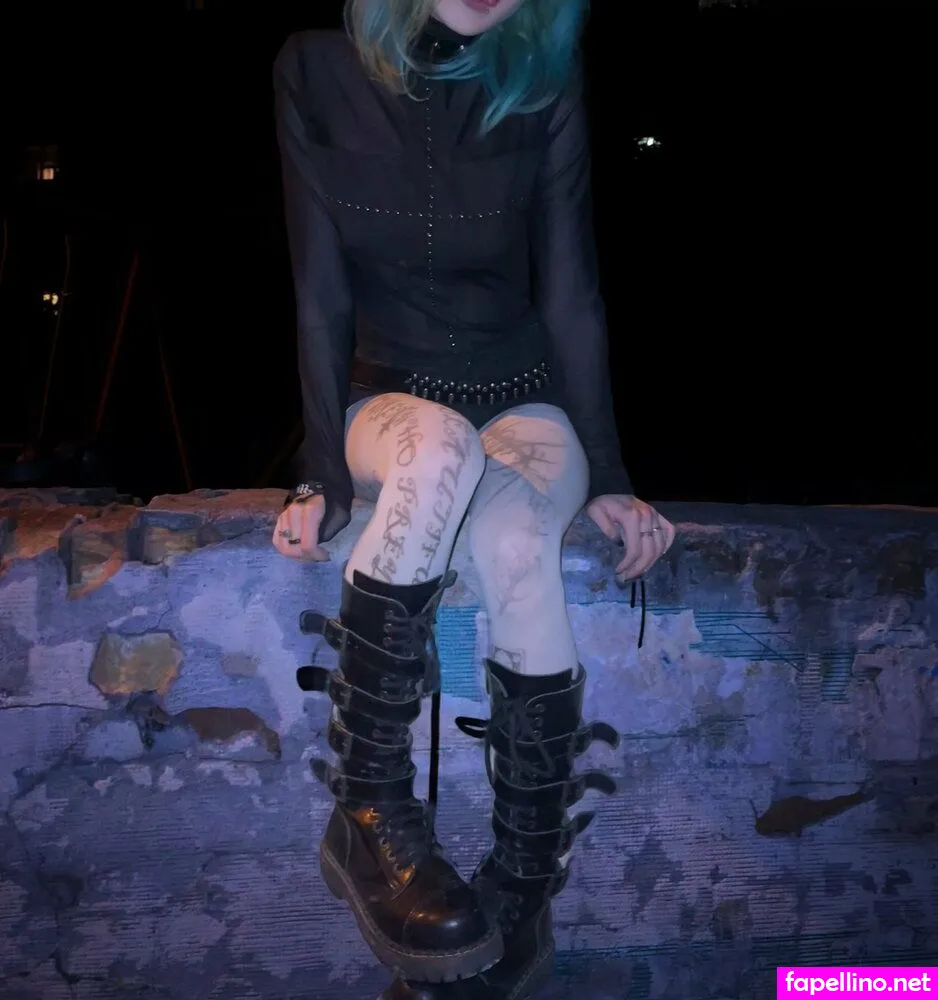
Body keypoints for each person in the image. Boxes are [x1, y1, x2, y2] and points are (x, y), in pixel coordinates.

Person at [271, 0, 675, 996]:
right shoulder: (314, 71)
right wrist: (322, 472)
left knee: (515, 549)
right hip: (387, 399)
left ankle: (520, 895)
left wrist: (611, 475)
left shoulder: (539, 85)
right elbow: (317, 289)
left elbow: (570, 290)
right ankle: (365, 812)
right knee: (438, 448)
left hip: (521, 397)